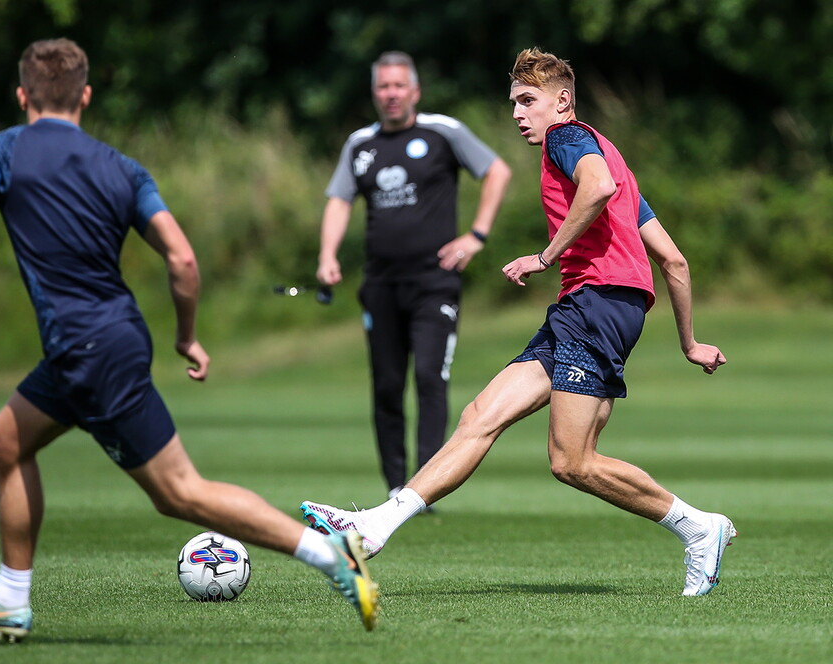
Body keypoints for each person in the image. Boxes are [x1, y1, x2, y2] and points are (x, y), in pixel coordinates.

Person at [0, 38, 378, 641]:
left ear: (23, 94)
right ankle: (9, 601)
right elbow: (182, 260)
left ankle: (330, 555)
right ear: (85, 95)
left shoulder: (1, 151)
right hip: (102, 342)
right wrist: (186, 335)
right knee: (6, 439)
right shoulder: (121, 167)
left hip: (88, 349)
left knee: (180, 493)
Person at [302, 47, 735, 597]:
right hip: (587, 311)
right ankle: (374, 525)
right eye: (514, 102)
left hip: (597, 307)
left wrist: (546, 254)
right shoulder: (610, 155)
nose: (518, 113)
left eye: (528, 100)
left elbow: (595, 189)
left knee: (571, 462)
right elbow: (673, 260)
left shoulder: (569, 138)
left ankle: (700, 527)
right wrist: (690, 342)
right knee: (481, 415)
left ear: (563, 101)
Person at [317, 51, 512, 501]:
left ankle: (422, 490)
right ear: (374, 93)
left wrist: (476, 235)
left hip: (434, 283)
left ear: (415, 91)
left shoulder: (443, 132)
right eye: (383, 86)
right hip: (381, 285)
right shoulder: (359, 144)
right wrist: (327, 255)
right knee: (386, 385)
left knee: (429, 377)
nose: (391, 94)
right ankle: (393, 487)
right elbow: (339, 200)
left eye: (398, 86)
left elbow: (497, 171)